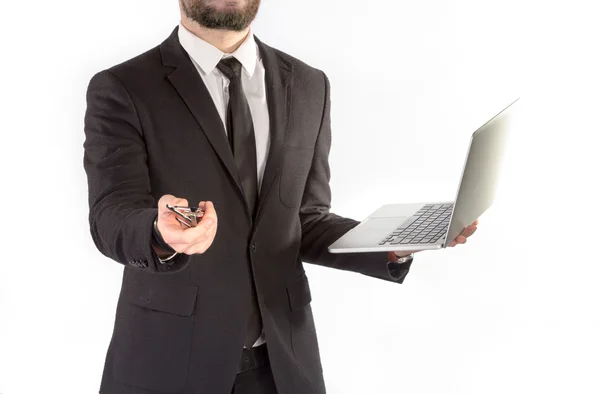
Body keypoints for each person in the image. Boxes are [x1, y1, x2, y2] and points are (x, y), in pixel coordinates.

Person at [82, 1, 478, 393]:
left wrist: (393, 245)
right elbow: (110, 213)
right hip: (167, 361)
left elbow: (304, 219)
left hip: (284, 366)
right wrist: (156, 230)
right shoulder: (124, 87)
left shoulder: (309, 84)